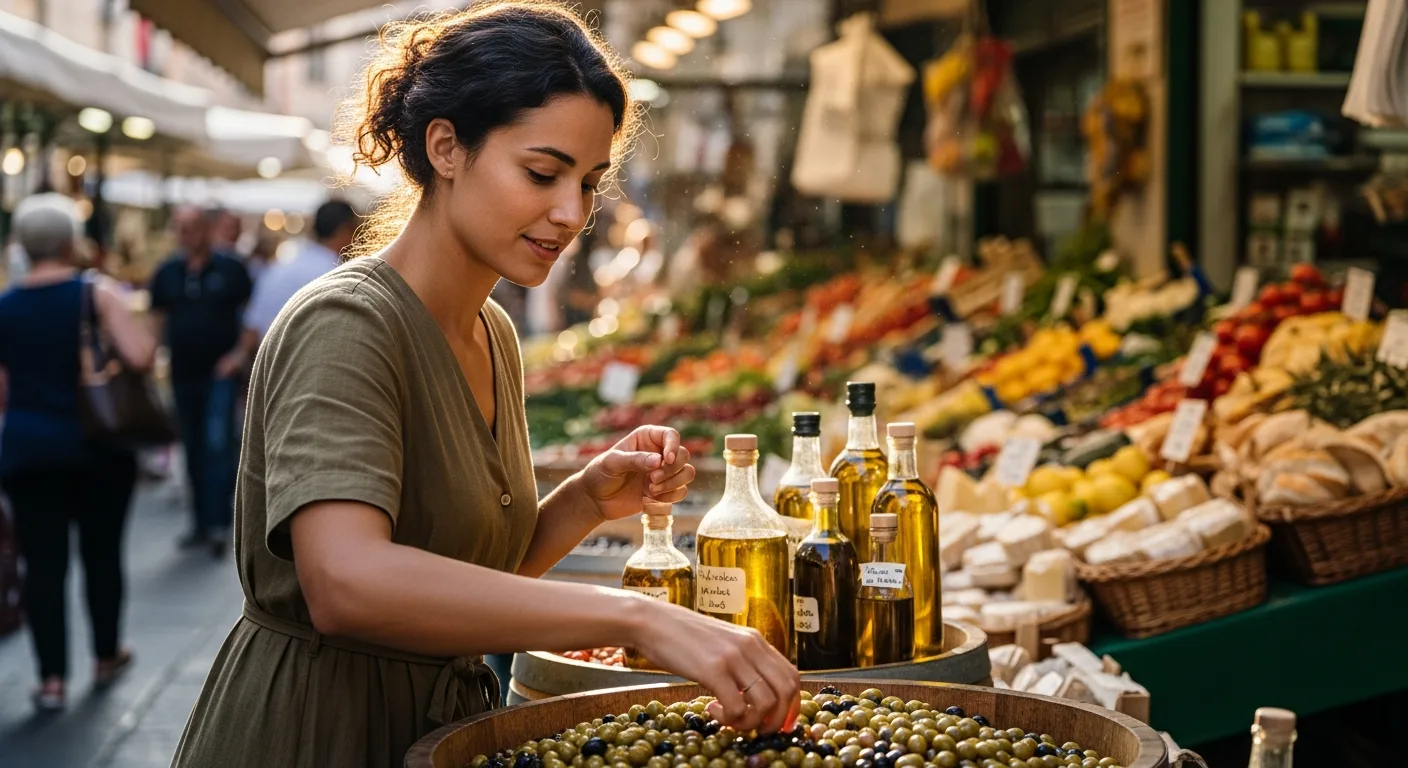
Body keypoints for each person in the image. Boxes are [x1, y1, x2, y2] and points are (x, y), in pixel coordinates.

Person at [172, 4, 798, 766]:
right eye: (542, 173)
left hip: (443, 729)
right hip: (318, 730)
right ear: (446, 147)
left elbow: (466, 582)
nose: (571, 213)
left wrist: (586, 503)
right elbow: (346, 581)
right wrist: (636, 617)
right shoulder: (347, 322)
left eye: (589, 183)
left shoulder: (492, 331)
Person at [0, 193, 157, 710]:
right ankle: (106, 654)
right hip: (98, 449)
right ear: (71, 242)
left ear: (23, 244)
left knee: (42, 564)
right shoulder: (98, 293)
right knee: (101, 555)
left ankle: (50, 680)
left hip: (28, 451)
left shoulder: (6, 306)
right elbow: (138, 356)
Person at [148, 206, 253, 556]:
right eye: (179, 227)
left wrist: (237, 357)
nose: (185, 233)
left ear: (206, 230)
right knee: (191, 446)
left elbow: (251, 319)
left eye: (191, 227)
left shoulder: (231, 269)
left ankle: (219, 521)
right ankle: (200, 522)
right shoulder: (167, 273)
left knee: (217, 444)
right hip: (182, 373)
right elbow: (157, 319)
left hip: (219, 372)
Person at [225, 201, 359, 366]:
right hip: (308, 370)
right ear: (345, 230)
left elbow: (252, 330)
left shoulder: (280, 265)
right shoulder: (338, 274)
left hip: (270, 368)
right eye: (355, 230)